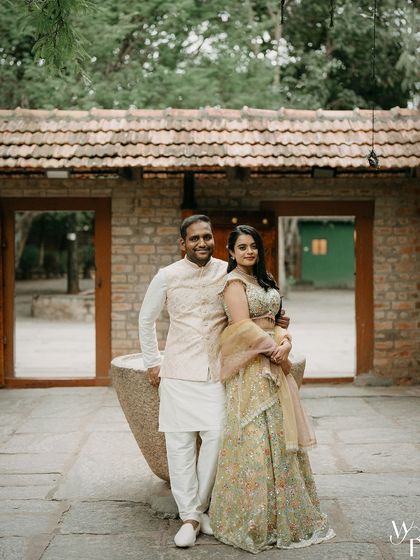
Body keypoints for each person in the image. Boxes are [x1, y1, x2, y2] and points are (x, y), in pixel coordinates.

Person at [139, 215, 289, 548]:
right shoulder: (167, 276)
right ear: (183, 244)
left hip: (214, 371)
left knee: (217, 437)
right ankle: (190, 516)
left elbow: (249, 306)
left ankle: (199, 508)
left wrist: (276, 321)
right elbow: (145, 318)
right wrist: (152, 361)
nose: (202, 243)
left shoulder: (226, 271)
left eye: (207, 237)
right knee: (178, 446)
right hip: (176, 371)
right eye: (194, 239)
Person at [209, 224, 335, 554]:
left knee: (280, 433)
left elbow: (279, 320)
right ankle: (253, 518)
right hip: (251, 366)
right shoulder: (233, 283)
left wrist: (286, 343)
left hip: (275, 357)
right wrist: (273, 349)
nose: (249, 251)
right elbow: (241, 326)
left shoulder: (266, 281)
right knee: (254, 434)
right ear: (231, 251)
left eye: (253, 246)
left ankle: (288, 515)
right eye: (242, 247)